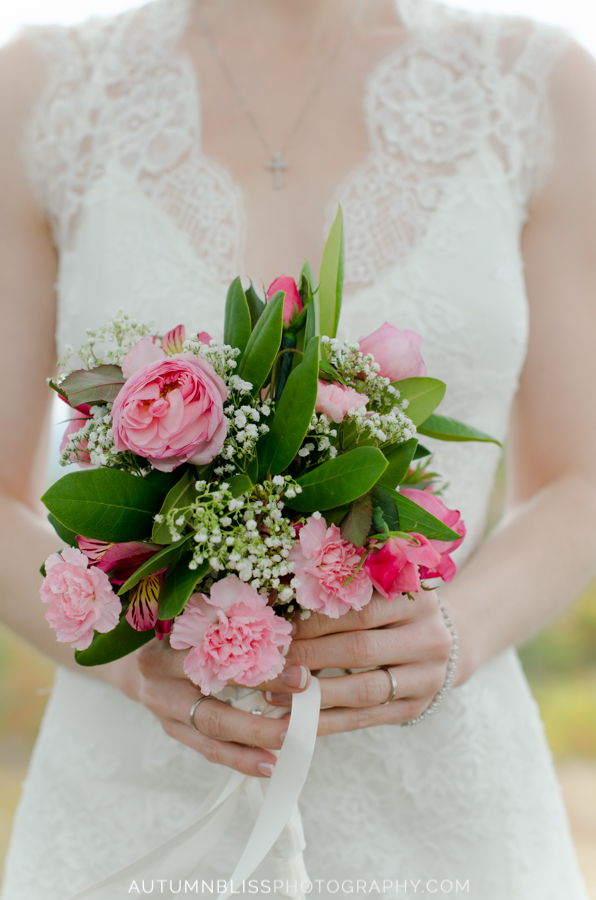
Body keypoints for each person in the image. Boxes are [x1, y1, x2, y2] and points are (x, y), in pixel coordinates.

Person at [0, 0, 594, 896]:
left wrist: (456, 637)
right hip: (135, 795)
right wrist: (133, 659)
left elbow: (578, 476)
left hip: (444, 805)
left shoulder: (541, 90)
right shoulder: (45, 94)